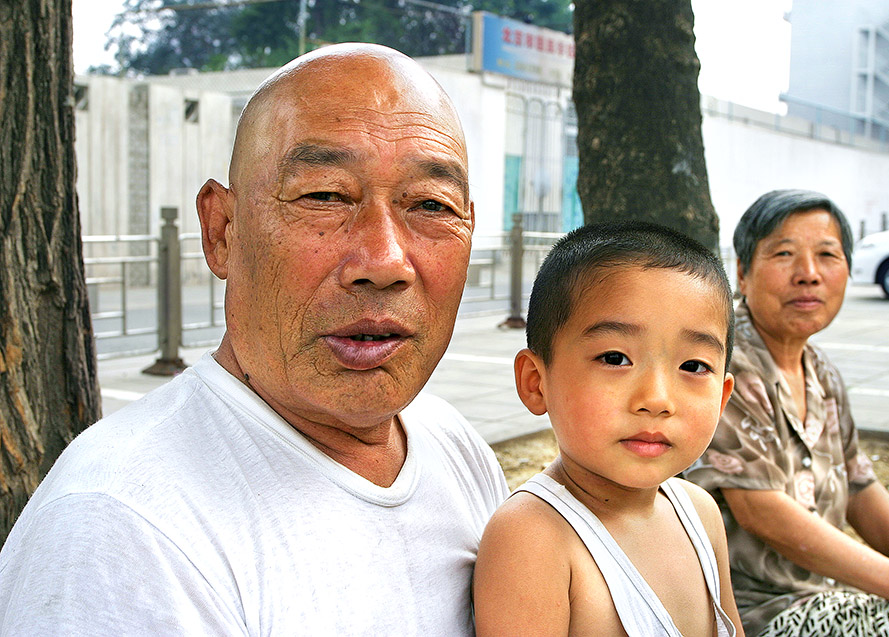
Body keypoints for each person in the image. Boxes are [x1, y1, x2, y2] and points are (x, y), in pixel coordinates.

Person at [0, 44, 509, 634]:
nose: (385, 260)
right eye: (324, 196)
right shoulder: (121, 526)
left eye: (430, 204)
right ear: (222, 231)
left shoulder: (454, 448)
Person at [684, 189, 889, 637]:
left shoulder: (820, 371)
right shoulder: (725, 364)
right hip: (749, 613)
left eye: (827, 255)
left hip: (822, 597)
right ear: (743, 273)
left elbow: (859, 486)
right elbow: (759, 507)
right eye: (784, 254)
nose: (808, 274)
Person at [473, 222, 744, 636]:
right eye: (615, 358)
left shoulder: (701, 515)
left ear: (723, 397)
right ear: (536, 382)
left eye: (693, 366)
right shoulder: (533, 538)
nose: (656, 399)